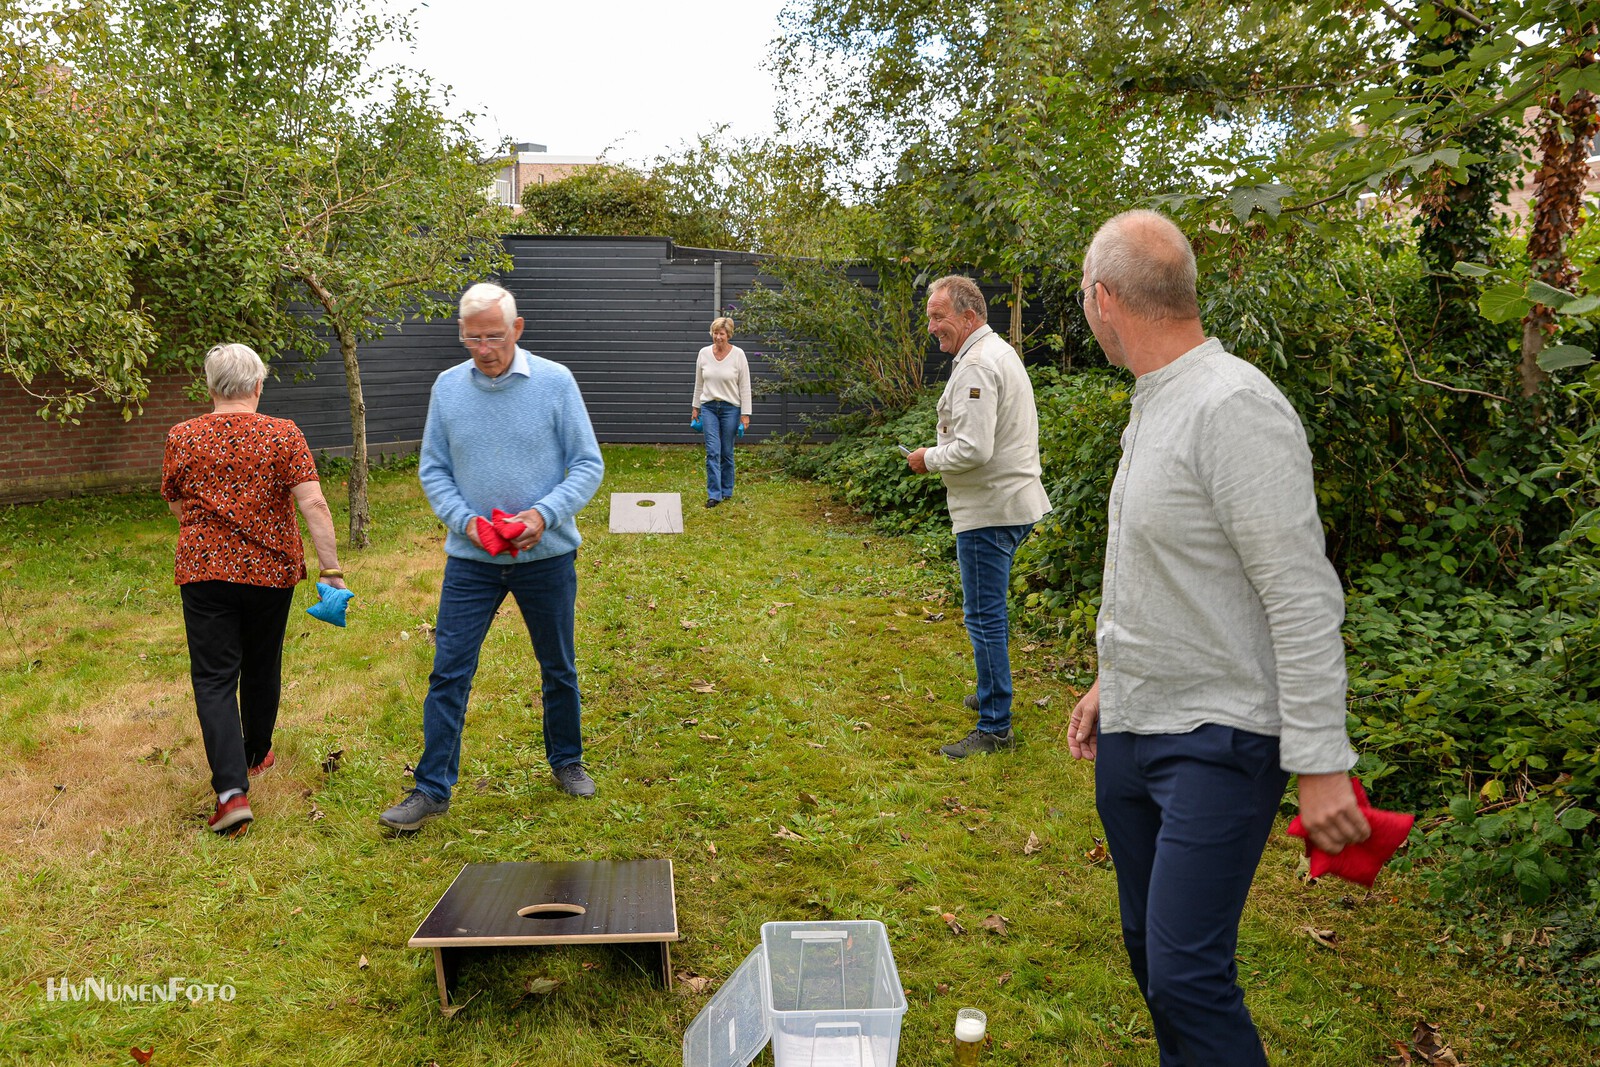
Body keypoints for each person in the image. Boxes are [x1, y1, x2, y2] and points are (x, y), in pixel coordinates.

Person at [1066, 210, 1371, 1065]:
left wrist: (1320, 760)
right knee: (1148, 952)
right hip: (1136, 725)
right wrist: (1109, 681)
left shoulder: (1233, 404)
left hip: (1221, 739)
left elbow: (1302, 596)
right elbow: (1172, 575)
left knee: (1186, 975)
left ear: (1103, 299)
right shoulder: (1155, 401)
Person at [380, 282, 605, 832]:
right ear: (461, 334)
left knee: (559, 667)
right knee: (448, 672)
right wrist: (468, 524)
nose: (485, 349)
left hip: (547, 556)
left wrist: (541, 516)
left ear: (518, 329)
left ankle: (566, 761)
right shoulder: (447, 388)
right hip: (472, 560)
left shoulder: (555, 383)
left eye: (496, 337)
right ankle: (432, 788)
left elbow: (587, 464)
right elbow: (433, 467)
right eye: (474, 337)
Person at [161, 343, 346, 836]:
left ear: (211, 387)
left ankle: (231, 792)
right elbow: (314, 504)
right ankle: (256, 754)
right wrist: (332, 570)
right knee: (262, 662)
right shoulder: (283, 435)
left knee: (215, 678)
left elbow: (178, 506)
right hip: (271, 573)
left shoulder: (183, 436)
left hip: (205, 571)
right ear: (258, 386)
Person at [907, 275, 1051, 758]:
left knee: (983, 616)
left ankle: (995, 728)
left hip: (990, 509)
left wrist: (928, 458)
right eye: (930, 317)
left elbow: (973, 448)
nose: (931, 327)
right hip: (1007, 501)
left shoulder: (977, 366)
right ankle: (992, 695)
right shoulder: (994, 353)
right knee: (987, 613)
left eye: (938, 317)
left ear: (969, 317)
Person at [690, 316, 751, 508]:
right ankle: (714, 495)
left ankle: (727, 490)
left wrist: (745, 414)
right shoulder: (703, 353)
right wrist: (695, 407)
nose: (718, 337)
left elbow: (745, 386)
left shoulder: (738, 355)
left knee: (726, 452)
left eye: (721, 334)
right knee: (712, 451)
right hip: (708, 407)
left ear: (729, 335)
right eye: (715, 333)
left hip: (730, 409)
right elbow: (699, 383)